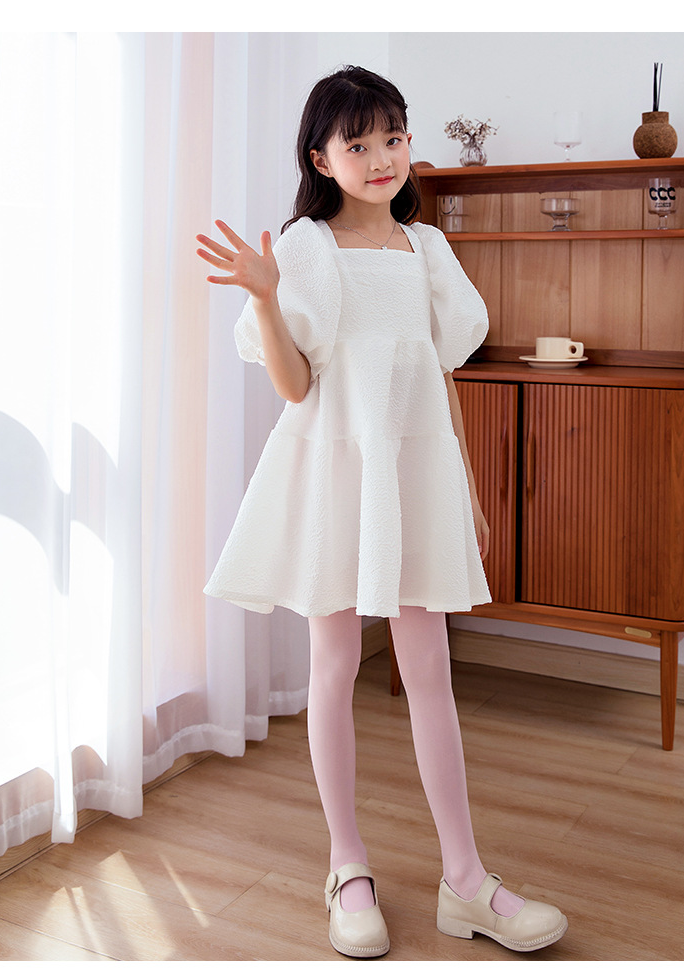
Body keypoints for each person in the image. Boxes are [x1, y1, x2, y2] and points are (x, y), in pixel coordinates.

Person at [196, 65, 567, 958]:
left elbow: (441, 379)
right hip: (335, 480)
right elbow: (295, 386)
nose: (380, 157)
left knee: (430, 669)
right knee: (332, 666)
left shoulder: (427, 249)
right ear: (320, 158)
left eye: (393, 137)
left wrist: (465, 490)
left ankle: (466, 880)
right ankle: (347, 866)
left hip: (414, 480)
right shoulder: (306, 249)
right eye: (357, 143)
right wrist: (264, 295)